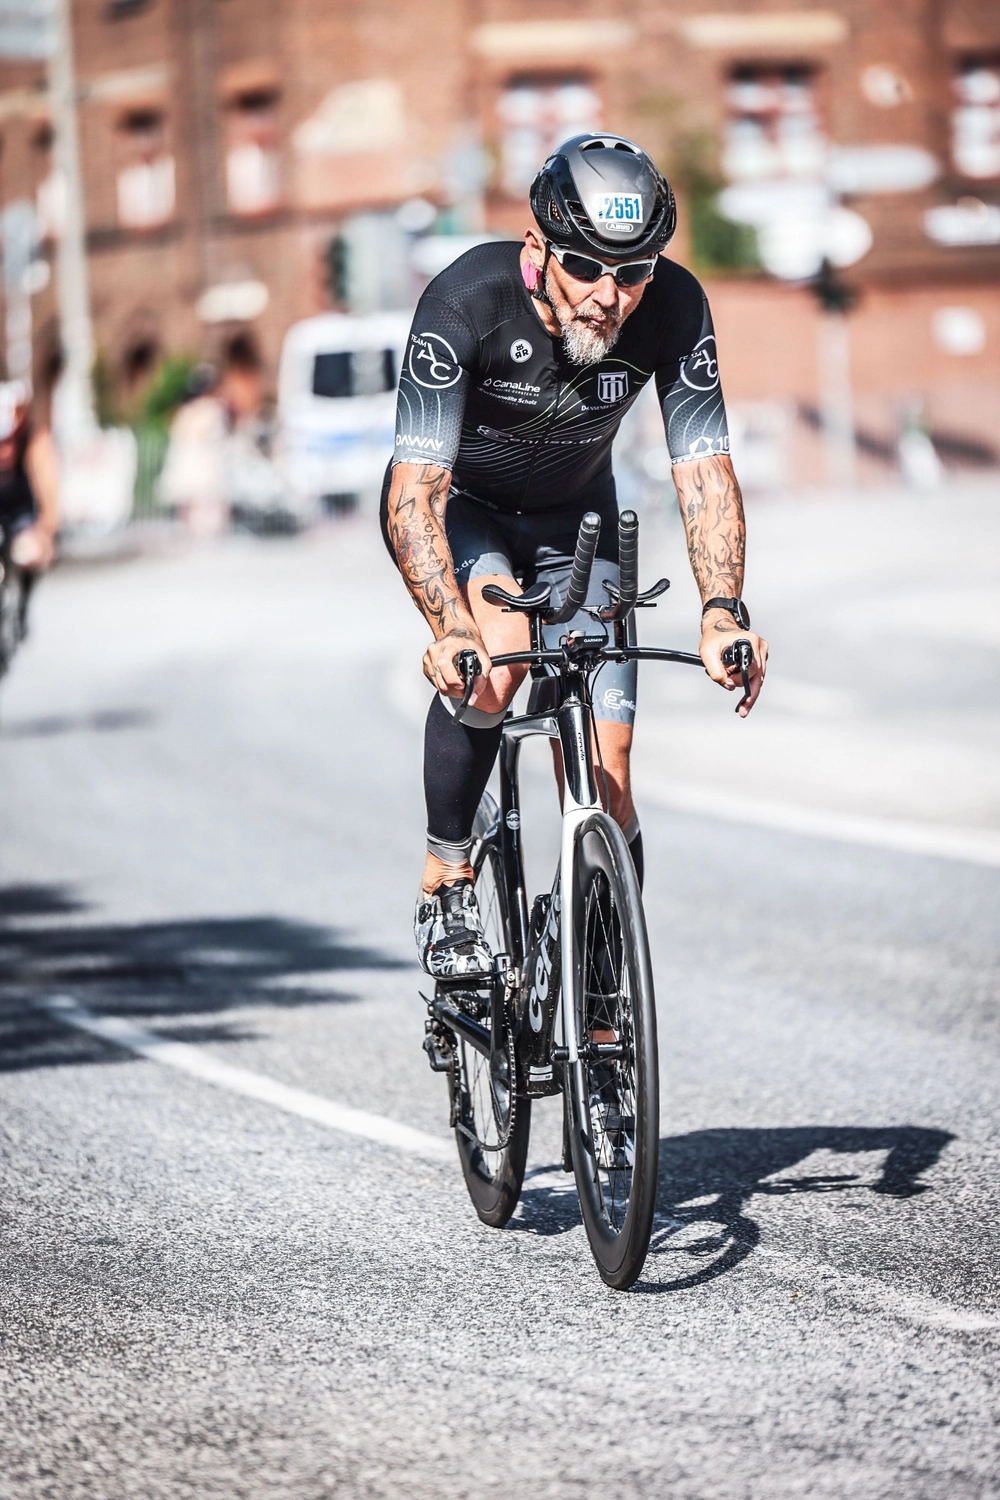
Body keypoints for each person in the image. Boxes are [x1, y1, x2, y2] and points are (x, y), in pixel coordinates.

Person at [381, 134, 769, 979]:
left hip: (578, 524)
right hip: (472, 517)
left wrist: (721, 611)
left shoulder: (674, 304)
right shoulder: (466, 300)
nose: (608, 295)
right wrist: (449, 626)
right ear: (538, 247)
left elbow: (703, 471)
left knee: (609, 771)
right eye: (586, 266)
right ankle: (446, 876)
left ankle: (598, 1001)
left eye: (632, 273)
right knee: (497, 663)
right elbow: (415, 491)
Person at [0, 379, 60, 637]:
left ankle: (22, 603)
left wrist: (47, 530)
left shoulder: (35, 443)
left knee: (28, 553)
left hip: (22, 516)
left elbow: (48, 490)